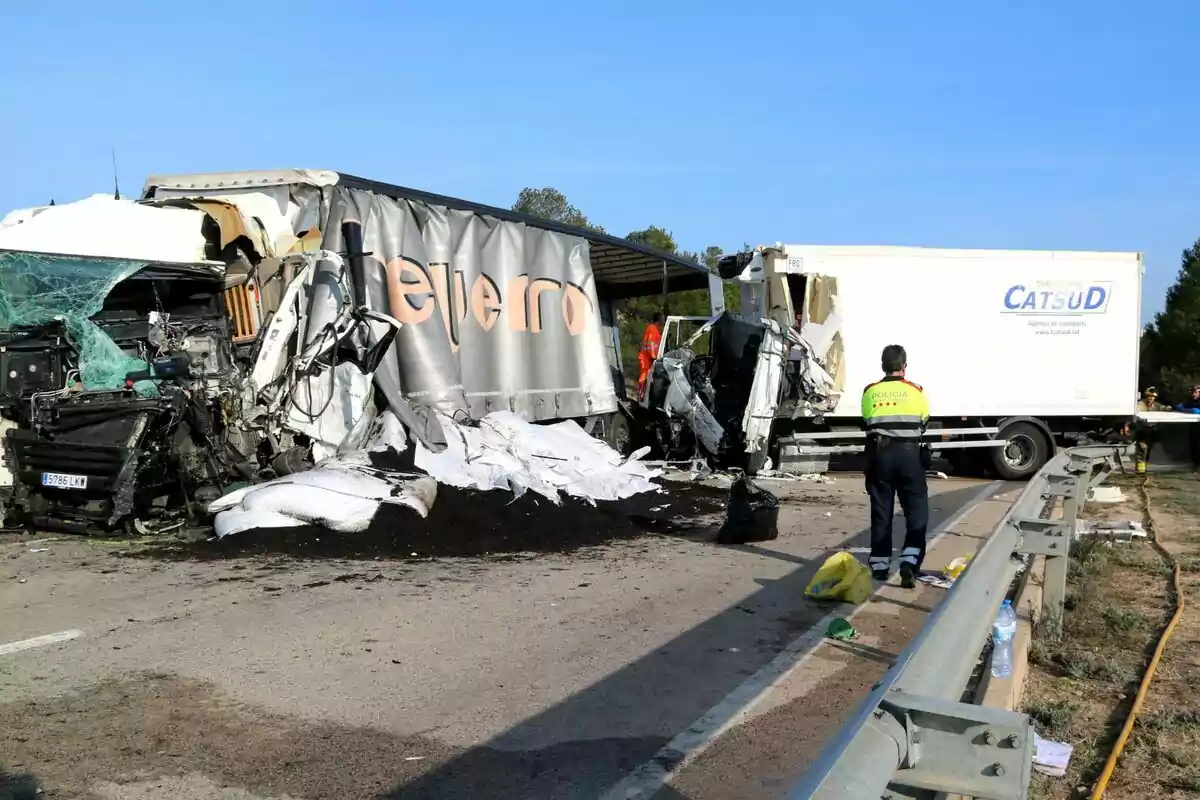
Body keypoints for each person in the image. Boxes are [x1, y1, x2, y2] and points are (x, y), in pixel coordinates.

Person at [862, 344, 930, 588]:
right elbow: (924, 421)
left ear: (883, 366)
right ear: (904, 366)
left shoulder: (870, 391)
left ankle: (880, 565)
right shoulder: (916, 391)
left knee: (881, 510)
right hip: (909, 455)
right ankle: (909, 561)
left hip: (879, 456)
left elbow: (867, 420)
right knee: (916, 510)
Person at [1133, 386, 1169, 474]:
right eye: (1149, 396)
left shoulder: (1156, 405)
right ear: (1146, 396)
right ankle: (1140, 471)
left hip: (1152, 431)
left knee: (1148, 449)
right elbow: (1136, 410)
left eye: (1153, 397)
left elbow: (1165, 408)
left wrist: (1169, 408)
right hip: (1141, 430)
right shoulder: (1140, 404)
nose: (1151, 398)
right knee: (1143, 448)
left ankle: (1143, 469)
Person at [636, 312, 663, 399]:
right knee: (644, 377)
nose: (664, 320)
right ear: (659, 319)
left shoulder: (656, 330)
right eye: (663, 318)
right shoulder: (652, 329)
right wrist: (653, 357)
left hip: (649, 358)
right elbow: (650, 344)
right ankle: (640, 395)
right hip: (646, 358)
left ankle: (644, 395)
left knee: (648, 378)